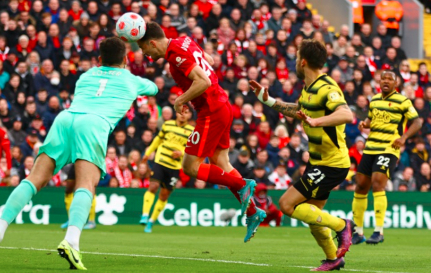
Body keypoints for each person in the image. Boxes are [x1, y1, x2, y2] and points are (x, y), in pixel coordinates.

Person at [0, 37, 157, 270]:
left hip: (65, 119)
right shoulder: (131, 80)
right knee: (85, 185)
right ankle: (71, 241)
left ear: (99, 59)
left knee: (33, 179)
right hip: (94, 124)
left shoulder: (85, 76)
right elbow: (153, 88)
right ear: (124, 59)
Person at [137, 22, 266, 243]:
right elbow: (211, 61)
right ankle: (254, 212)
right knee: (222, 165)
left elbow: (203, 81)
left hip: (211, 111)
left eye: (144, 49)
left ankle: (242, 184)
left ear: (151, 42)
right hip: (221, 104)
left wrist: (181, 100)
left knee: (190, 166)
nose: (145, 54)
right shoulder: (184, 41)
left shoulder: (175, 54)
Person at [250, 39, 355, 271]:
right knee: (313, 215)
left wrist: (318, 121)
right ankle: (334, 258)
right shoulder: (308, 88)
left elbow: (346, 114)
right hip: (319, 163)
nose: (295, 62)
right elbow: (298, 111)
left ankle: (342, 225)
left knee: (287, 205)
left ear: (303, 61)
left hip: (331, 165)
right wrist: (267, 100)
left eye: (297, 58)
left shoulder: (327, 88)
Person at [352, 71, 422, 245]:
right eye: (383, 78)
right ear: (379, 81)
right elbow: (371, 119)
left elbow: (417, 122)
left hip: (389, 148)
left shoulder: (403, 101)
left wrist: (404, 138)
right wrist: (365, 124)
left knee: (377, 183)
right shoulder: (374, 100)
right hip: (370, 148)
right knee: (360, 185)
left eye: (390, 79)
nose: (386, 81)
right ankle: (358, 231)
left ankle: (378, 231)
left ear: (396, 83)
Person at [139, 106, 194, 233]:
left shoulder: (192, 131)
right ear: (176, 113)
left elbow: (192, 150)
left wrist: (181, 152)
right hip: (161, 161)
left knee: (164, 195)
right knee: (153, 186)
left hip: (175, 167)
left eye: (186, 112)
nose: (182, 115)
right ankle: (145, 215)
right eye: (181, 112)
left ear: (189, 115)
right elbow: (158, 139)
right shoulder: (167, 125)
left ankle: (151, 222)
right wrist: (149, 153)